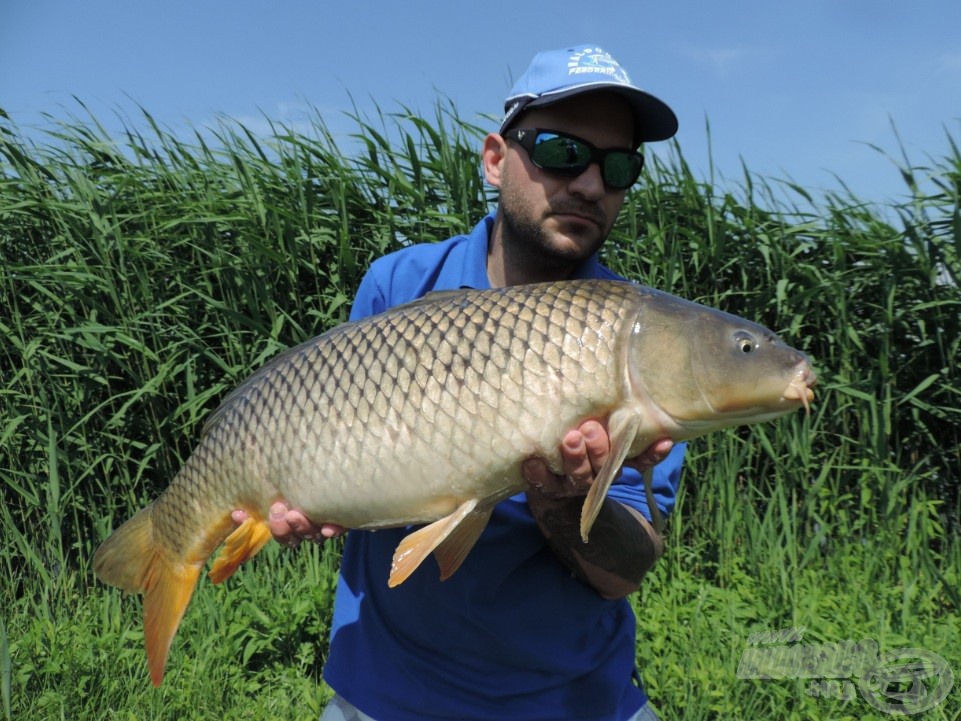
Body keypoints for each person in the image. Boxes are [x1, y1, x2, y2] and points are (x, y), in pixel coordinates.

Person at [237, 44, 686, 721]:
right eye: (562, 152)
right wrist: (309, 494)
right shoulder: (399, 285)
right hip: (389, 690)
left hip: (575, 700)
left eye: (618, 166)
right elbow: (346, 450)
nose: (591, 184)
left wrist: (562, 500)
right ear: (495, 159)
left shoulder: (643, 337)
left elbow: (620, 573)